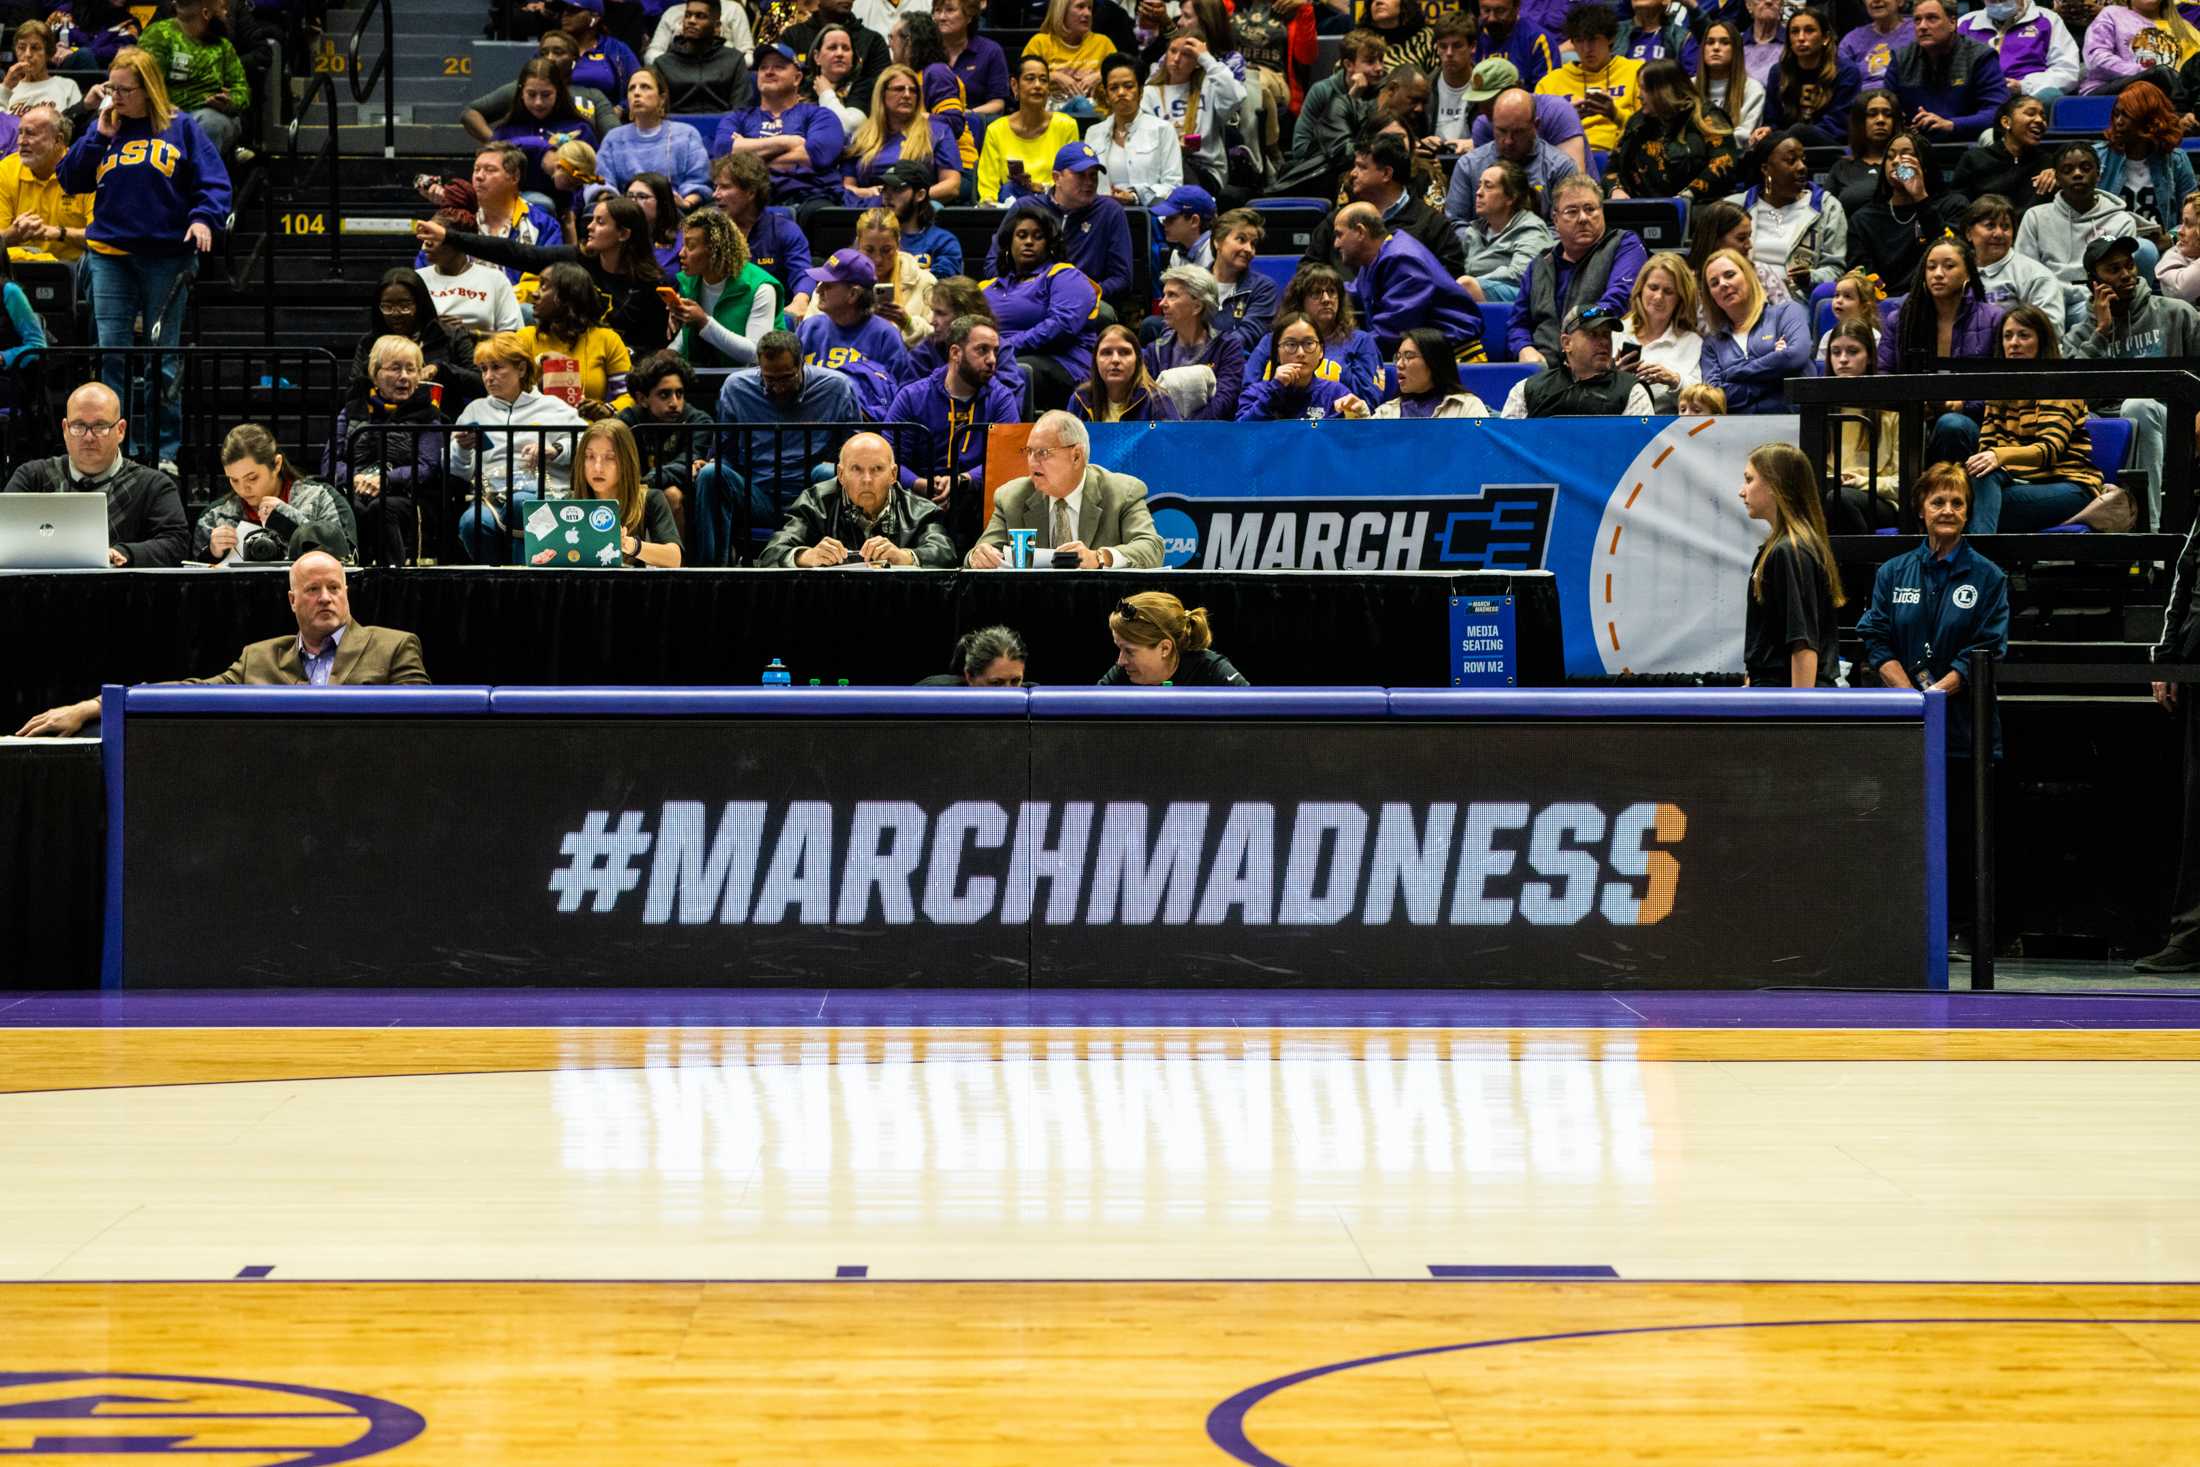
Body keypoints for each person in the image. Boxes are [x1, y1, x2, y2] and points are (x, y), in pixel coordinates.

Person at [14, 551, 430, 736]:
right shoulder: (259, 658)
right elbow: (191, 692)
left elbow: (426, 726)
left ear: (347, 593)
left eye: (334, 588)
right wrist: (94, 706)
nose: (325, 597)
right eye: (312, 589)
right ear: (292, 600)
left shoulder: (392, 646)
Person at [1854, 461, 2009, 947]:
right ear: (1921, 510)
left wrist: (1936, 698)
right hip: (1905, 730)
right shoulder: (1893, 571)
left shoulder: (1989, 577)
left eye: (1957, 502)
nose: (1947, 510)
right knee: (1902, 834)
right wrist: (1911, 700)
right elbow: (1875, 637)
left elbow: (1984, 649)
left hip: (1965, 731)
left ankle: (1963, 932)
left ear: (1968, 513)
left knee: (1964, 836)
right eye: (1938, 502)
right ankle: (1904, 928)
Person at [61, 46, 229, 474]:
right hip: (109, 254)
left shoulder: (181, 128)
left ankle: (163, 451)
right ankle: (115, 452)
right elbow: (69, 177)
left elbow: (213, 181)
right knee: (110, 354)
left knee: (162, 357)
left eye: (124, 90)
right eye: (110, 88)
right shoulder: (106, 127)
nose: (115, 97)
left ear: (148, 88)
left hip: (167, 256)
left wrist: (204, 219)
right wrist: (97, 132)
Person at [1928, 303, 2134, 532]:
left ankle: (1976, 562)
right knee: (1976, 482)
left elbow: (2049, 450)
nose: (2014, 343)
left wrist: (1998, 456)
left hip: (2067, 485)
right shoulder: (1998, 390)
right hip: (2015, 482)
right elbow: (1987, 447)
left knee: (1971, 505)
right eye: (2008, 336)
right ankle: (1982, 563)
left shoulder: (2059, 385)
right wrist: (1989, 460)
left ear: (2041, 342)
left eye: (2023, 335)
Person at [418, 193, 669, 358]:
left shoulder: (652, 284)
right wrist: (449, 237)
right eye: (592, 220)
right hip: (572, 357)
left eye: (601, 222)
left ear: (623, 234)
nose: (590, 227)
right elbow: (516, 253)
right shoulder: (578, 259)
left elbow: (655, 347)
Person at [2067, 232, 2200, 523]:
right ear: (2095, 282)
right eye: (2114, 270)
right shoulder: (2082, 335)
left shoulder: (2176, 315)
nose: (2126, 274)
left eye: (2129, 265)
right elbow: (2071, 396)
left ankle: (2150, 534)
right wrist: (2100, 334)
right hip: (2108, 427)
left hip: (2171, 423)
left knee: (2137, 406)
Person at [700, 330, 866, 563]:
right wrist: (713, 462)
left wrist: (837, 464)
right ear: (759, 367)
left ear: (802, 364)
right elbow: (725, 453)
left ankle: (837, 565)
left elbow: (855, 451)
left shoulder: (835, 387)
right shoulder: (736, 388)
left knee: (830, 473)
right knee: (711, 473)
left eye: (786, 377)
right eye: (770, 379)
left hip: (813, 495)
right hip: (757, 494)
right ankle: (712, 573)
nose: (778, 387)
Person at [0, 381, 186, 566]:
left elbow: (176, 544)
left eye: (100, 427)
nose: (88, 437)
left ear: (120, 430)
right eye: (78, 426)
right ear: (65, 429)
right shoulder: (32, 478)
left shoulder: (153, 486)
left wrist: (124, 553)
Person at [450, 333, 587, 563]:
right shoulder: (475, 410)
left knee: (521, 504)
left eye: (496, 367)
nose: (488, 377)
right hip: (491, 498)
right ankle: (496, 586)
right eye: (483, 369)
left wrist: (555, 449)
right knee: (470, 523)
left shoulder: (553, 407)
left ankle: (527, 582)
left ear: (522, 369)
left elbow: (588, 442)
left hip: (545, 495)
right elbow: (457, 470)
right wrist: (462, 450)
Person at [968, 409, 1163, 568]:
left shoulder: (1123, 492)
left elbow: (1152, 548)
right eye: (1029, 452)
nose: (1032, 462)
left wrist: (1099, 557)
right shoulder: (1012, 497)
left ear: (1076, 456)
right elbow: (977, 554)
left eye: (1042, 453)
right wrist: (978, 556)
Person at [883, 314, 1023, 519]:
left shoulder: (1001, 399)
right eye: (982, 350)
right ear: (956, 352)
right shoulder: (912, 397)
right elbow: (888, 460)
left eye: (995, 351)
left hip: (980, 504)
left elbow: (1008, 460)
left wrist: (963, 479)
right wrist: (920, 484)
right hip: (916, 504)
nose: (992, 360)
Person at [326, 336, 448, 567]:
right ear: (375, 373)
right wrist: (354, 478)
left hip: (407, 496)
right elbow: (331, 460)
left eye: (411, 369)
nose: (404, 376)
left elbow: (427, 467)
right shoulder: (353, 410)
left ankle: (395, 580)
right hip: (356, 488)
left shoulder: (429, 415)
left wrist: (386, 480)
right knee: (350, 506)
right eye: (395, 368)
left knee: (381, 507)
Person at [756, 429, 957, 567]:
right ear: (841, 475)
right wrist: (805, 556)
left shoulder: (920, 510)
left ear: (893, 475)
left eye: (877, 469)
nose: (867, 479)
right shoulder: (815, 502)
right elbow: (771, 553)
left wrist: (905, 556)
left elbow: (945, 554)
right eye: (856, 469)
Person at [1508, 174, 1645, 364]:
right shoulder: (1539, 264)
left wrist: (1578, 329)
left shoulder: (1623, 245)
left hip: (1598, 368)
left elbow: (1618, 299)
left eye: (1590, 209)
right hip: (1543, 370)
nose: (1583, 218)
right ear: (1555, 220)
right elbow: (1518, 322)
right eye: (1572, 211)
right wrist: (1524, 348)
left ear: (1602, 211)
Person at [1738, 440, 1844, 687]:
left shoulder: (1790, 551)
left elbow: (1803, 643)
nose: (1742, 491)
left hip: (1785, 698)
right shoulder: (1780, 549)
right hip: (1773, 693)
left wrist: (1799, 717)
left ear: (1775, 485)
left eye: (1749, 479)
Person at [983, 200, 1101, 410]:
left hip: (1061, 364)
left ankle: (1010, 437)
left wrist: (1006, 347)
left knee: (1013, 371)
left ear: (1050, 244)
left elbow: (1062, 325)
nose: (1029, 242)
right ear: (1009, 242)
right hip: (997, 356)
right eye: (1022, 235)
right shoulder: (987, 287)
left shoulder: (1064, 275)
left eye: (1038, 237)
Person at [1310, 130, 1470, 284]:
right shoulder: (1338, 220)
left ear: (1386, 173)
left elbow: (1450, 278)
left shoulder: (1433, 225)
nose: (1353, 173)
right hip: (1345, 308)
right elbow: (1309, 269)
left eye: (1362, 167)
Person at [1331, 201, 1486, 357]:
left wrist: (1337, 349)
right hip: (1424, 356)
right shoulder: (1376, 256)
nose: (1336, 244)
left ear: (1360, 232)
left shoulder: (1402, 260)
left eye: (1339, 235)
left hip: (1454, 358)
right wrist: (1318, 292)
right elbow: (1354, 293)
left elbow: (1392, 329)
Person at [714, 42, 849, 211]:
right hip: (748, 198)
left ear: (797, 78)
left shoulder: (820, 116)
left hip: (808, 196)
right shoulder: (737, 118)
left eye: (779, 67)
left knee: (821, 213)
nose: (769, 72)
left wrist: (745, 155)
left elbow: (816, 155)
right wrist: (788, 142)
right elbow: (723, 153)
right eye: (763, 68)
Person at [194, 423, 354, 565]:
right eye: (233, 480)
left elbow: (347, 562)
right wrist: (212, 553)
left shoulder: (320, 498)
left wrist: (291, 523)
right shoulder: (214, 517)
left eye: (252, 478)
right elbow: (191, 580)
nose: (243, 489)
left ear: (277, 464)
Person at [992, 140, 1134, 300]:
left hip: (1086, 301)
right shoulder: (1026, 207)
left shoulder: (1109, 211)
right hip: (1025, 297)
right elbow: (993, 262)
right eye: (1080, 175)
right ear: (1056, 177)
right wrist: (1024, 290)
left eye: (1093, 175)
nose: (1089, 182)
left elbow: (1122, 279)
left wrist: (1085, 293)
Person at [342, 268, 480, 411]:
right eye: (387, 307)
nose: (396, 313)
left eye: (405, 306)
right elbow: (352, 395)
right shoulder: (370, 342)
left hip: (442, 423)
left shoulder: (451, 336)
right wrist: (373, 370)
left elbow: (480, 385)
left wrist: (442, 369)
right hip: (384, 423)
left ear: (420, 303)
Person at [1735, 127, 1849, 297]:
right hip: (1745, 296)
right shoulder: (1736, 207)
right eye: (1791, 161)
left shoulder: (1827, 207)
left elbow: (1835, 269)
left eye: (1803, 160)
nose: (1802, 167)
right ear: (1766, 169)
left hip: (1797, 300)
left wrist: (1811, 277)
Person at [668, 205, 785, 371]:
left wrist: (703, 321)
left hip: (750, 381)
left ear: (716, 251)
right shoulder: (691, 281)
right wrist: (670, 352)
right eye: (683, 245)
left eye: (691, 246)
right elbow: (687, 334)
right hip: (703, 375)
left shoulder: (761, 288)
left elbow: (756, 355)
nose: (681, 253)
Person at [1608, 57, 1741, 202]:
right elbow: (1613, 169)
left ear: (1664, 91)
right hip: (1645, 209)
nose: (1639, 95)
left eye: (1645, 89)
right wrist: (1616, 189)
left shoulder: (1705, 118)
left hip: (1701, 206)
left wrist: (1686, 196)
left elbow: (1723, 163)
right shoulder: (1637, 124)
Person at [1245, 263, 1384, 401]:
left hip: (1339, 420)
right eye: (1316, 293)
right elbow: (1247, 393)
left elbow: (1371, 400)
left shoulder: (1360, 341)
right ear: (1300, 301)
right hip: (1279, 420)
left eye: (1332, 292)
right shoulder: (1271, 341)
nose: (1326, 299)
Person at [1701, 245, 1812, 413]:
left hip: (1792, 425)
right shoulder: (1712, 343)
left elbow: (1794, 356)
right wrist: (1775, 370)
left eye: (1730, 275)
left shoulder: (1786, 313)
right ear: (1711, 296)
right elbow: (1715, 397)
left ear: (1749, 276)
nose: (1723, 284)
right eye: (1714, 283)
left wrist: (1733, 373)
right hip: (1738, 431)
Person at [1846, 127, 1963, 285]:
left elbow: (1952, 256)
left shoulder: (1952, 206)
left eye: (1906, 155)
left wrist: (1920, 198)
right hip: (1881, 301)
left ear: (1925, 164)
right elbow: (1863, 274)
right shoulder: (1863, 219)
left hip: (1931, 296)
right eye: (1890, 156)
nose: (1895, 162)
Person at [560, 418, 683, 567]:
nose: (597, 467)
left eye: (610, 458)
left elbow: (674, 558)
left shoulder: (650, 499)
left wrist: (629, 544)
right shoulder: (569, 503)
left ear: (626, 461)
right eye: (590, 456)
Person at [2015, 140, 2143, 283]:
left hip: (2100, 298)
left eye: (2086, 168)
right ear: (2057, 178)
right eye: (2067, 170)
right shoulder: (2035, 217)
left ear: (2099, 174)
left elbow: (2119, 278)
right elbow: (2026, 274)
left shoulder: (2121, 221)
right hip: (2048, 297)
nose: (2077, 174)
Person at [1818, 317, 1901, 529]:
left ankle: (1858, 562)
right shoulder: (1819, 408)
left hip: (1882, 501)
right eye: (1836, 352)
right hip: (1832, 495)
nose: (1843, 359)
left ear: (1870, 358)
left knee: (1839, 498)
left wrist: (1859, 482)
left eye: (1853, 352)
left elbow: (1903, 485)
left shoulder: (1892, 410)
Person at [461, 32, 617, 145]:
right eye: (544, 52)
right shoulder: (520, 89)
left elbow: (614, 134)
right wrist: (497, 145)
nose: (549, 57)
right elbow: (470, 113)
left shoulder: (593, 95)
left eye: (558, 52)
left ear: (574, 60)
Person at [841, 63, 964, 205]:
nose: (907, 95)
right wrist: (869, 193)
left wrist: (909, 198)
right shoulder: (860, 136)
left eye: (913, 91)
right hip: (868, 210)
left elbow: (952, 185)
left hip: (918, 210)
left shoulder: (938, 131)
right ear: (882, 94)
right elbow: (847, 187)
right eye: (899, 89)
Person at [1501, 302, 1654, 415]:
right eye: (1593, 334)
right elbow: (1505, 449)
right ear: (1567, 343)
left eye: (1606, 334)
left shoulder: (1632, 391)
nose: (1604, 342)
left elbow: (1641, 452)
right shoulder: (1528, 390)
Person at [1879, 232, 2003, 371]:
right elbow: (1884, 374)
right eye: (1931, 267)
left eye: (1949, 266)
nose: (1938, 274)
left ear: (1968, 273)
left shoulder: (1994, 319)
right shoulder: (1899, 320)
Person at [1888, 0, 2009, 141]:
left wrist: (1951, 124)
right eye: (1917, 20)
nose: (1922, 26)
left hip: (1969, 142)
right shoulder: (1902, 59)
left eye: (1932, 18)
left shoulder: (1979, 57)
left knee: (1993, 137)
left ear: (1952, 23)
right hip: (1914, 144)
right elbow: (1887, 107)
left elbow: (1998, 111)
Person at [1142, 29, 1246, 192]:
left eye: (1186, 54)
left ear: (1198, 61)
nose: (1176, 59)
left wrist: (1207, 59)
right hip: (1160, 169)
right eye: (1173, 51)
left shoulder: (1209, 87)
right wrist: (1174, 148)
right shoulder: (1150, 92)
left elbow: (1237, 96)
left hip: (1205, 170)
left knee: (1178, 171)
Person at [616, 350, 716, 518]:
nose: (674, 403)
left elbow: (687, 463)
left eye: (679, 393)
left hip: (690, 498)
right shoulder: (628, 420)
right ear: (642, 399)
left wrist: (647, 481)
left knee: (671, 494)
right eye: (664, 395)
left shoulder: (699, 421)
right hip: (634, 491)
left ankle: (676, 546)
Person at [137, 0, 246, 152]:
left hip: (210, 114)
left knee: (210, 123)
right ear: (206, 14)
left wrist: (230, 101)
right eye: (222, 8)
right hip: (164, 110)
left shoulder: (223, 46)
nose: (226, 13)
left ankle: (202, 174)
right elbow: (147, 81)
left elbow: (242, 90)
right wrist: (167, 109)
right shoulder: (159, 35)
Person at [2095, 80, 2194, 246]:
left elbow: (2194, 216)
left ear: (2149, 121)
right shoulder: (2098, 156)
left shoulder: (2176, 161)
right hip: (2110, 250)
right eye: (2116, 114)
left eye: (2126, 115)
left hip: (2161, 252)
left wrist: (2171, 238)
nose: (2118, 122)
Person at [1533, 2, 1641, 154]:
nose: (1586, 49)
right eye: (1579, 40)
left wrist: (1615, 114)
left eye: (1593, 40)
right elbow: (1538, 136)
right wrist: (1566, 119)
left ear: (1611, 38)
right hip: (1568, 157)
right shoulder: (1550, 82)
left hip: (1622, 155)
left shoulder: (1635, 71)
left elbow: (1649, 128)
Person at [491, 57, 600, 204]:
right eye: (531, 94)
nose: (538, 102)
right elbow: (490, 162)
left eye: (546, 95)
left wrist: (572, 210)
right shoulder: (506, 131)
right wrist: (541, 147)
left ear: (558, 93)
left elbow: (590, 180)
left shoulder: (579, 129)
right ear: (521, 93)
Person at [1143, 261, 1245, 417]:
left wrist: (1185, 430)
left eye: (1172, 295)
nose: (1162, 303)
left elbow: (1224, 403)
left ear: (1197, 306)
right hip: (1163, 436)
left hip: (1212, 436)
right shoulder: (1154, 351)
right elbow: (1148, 404)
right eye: (1164, 295)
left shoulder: (1227, 348)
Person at [597, 67, 710, 206]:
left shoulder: (686, 135)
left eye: (645, 87)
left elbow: (699, 182)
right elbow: (601, 182)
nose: (636, 93)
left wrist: (685, 203)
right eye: (631, 88)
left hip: (674, 210)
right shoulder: (613, 138)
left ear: (662, 99)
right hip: (625, 213)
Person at [976, 55, 1083, 202]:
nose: (1038, 85)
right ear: (1014, 85)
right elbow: (988, 188)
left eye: (1043, 80)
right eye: (1030, 78)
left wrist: (1038, 188)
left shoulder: (1066, 125)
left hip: (1053, 205)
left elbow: (1071, 179)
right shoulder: (996, 130)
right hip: (1011, 207)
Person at [1287, 27, 1383, 182]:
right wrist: (1351, 99)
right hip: (1325, 175)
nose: (1379, 68)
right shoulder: (1322, 91)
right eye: (1370, 62)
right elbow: (1300, 148)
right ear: (1349, 65)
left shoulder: (1383, 93)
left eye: (1381, 60)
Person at [0, 104, 91, 269]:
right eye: (20, 133)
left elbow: (102, 238)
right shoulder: (6, 169)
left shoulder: (83, 169)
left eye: (30, 133)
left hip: (75, 266)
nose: (21, 142)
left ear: (58, 140)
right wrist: (12, 235)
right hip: (21, 265)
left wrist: (59, 233)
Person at [711, 151, 812, 299]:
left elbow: (802, 275)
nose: (715, 194)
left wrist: (801, 300)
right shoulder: (709, 230)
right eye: (715, 187)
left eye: (725, 187)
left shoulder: (784, 231)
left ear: (751, 192)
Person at [1233, 311, 1372, 418]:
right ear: (1277, 353)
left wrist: (1360, 415)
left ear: (1321, 352)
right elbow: (1243, 436)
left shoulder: (1337, 394)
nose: (1300, 353)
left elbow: (1358, 444)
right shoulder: (1256, 393)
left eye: (1309, 343)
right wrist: (1274, 390)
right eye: (1291, 344)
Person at [1087, 50, 1182, 205]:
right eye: (1113, 88)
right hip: (1104, 213)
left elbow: (1173, 185)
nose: (1121, 93)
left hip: (1150, 215)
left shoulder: (1163, 129)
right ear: (1106, 95)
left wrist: (1135, 196)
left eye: (1129, 86)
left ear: (1141, 91)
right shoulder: (1094, 133)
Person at [1459, 158, 1556, 308]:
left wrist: (1474, 281)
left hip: (1523, 299)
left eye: (1488, 186)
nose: (1478, 193)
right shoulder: (1474, 231)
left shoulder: (1531, 228)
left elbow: (1521, 274)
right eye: (1479, 185)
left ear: (1510, 197)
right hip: (1479, 294)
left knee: (1465, 286)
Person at [415, 205, 523, 338]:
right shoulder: (417, 279)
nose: (426, 243)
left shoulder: (495, 280)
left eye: (435, 236)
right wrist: (431, 330)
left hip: (482, 354)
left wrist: (469, 334)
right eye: (426, 234)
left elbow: (515, 338)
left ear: (461, 242)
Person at [1755, 6, 1858, 144]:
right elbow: (1773, 120)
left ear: (1825, 38)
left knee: (1799, 130)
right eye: (1795, 32)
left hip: (1831, 148)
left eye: (1809, 31)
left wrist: (1791, 137)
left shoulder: (1846, 71)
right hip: (1786, 148)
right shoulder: (1778, 72)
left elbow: (1838, 125)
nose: (1801, 38)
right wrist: (1767, 130)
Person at [1964, 193, 2069, 329]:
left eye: (2006, 227)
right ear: (1968, 233)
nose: (1999, 234)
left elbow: (2050, 331)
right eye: (1990, 226)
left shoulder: (2036, 276)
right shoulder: (1957, 271)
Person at [1101, 591, 1251, 685]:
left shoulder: (1213, 672)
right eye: (1120, 649)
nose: (1120, 661)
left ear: (1165, 648)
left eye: (1129, 651)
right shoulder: (1123, 673)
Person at [1616, 250, 1702, 409]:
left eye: (1668, 292)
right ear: (1641, 288)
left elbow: (1700, 400)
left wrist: (1674, 380)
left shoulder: (1691, 342)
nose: (1658, 297)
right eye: (1653, 287)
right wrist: (1614, 377)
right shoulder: (1616, 331)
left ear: (1680, 298)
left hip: (1665, 427)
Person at [1953, 93, 2057, 214]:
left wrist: (2061, 178)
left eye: (2043, 116)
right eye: (2030, 113)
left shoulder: (2049, 162)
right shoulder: (1974, 159)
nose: (2040, 120)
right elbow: (1958, 205)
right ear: (2006, 122)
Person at [1958, 0, 2082, 100]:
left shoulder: (2047, 20)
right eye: (1992, 1)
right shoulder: (1965, 24)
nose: (1998, 4)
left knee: (2050, 95)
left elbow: (2066, 70)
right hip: (1977, 97)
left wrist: (2023, 86)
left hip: (2027, 97)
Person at [652, 0, 754, 114]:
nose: (691, 21)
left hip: (724, 128)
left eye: (700, 16)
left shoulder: (734, 60)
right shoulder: (663, 64)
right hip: (675, 129)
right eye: (687, 15)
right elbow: (656, 113)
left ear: (716, 26)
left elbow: (741, 110)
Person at [2082, 0, 2199, 96]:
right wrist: (2145, 72)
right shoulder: (2112, 14)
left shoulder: (2185, 28)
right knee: (2161, 73)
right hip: (2110, 92)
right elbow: (2096, 58)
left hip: (2169, 97)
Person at [1073, 319, 1184, 420]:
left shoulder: (1157, 400)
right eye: (1106, 353)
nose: (1115, 360)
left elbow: (1174, 441)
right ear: (1095, 360)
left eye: (1125, 352)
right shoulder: (1081, 398)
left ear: (1138, 360)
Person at [1373, 326, 1493, 416]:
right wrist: (1362, 418)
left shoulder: (1468, 407)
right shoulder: (1386, 413)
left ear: (1434, 362)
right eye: (1398, 357)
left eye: (1409, 356)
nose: (1399, 364)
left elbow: (1481, 446)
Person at [1826, 86, 1900, 217]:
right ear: (1860, 121)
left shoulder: (1903, 163)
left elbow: (1915, 192)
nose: (1881, 120)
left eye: (1888, 114)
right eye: (1872, 114)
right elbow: (1826, 214)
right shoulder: (1842, 168)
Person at [932, 0, 1012, 119]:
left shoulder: (990, 51)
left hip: (975, 127)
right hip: (929, 127)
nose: (942, 17)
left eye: (950, 10)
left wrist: (963, 116)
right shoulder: (925, 50)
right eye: (937, 10)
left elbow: (998, 104)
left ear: (969, 16)